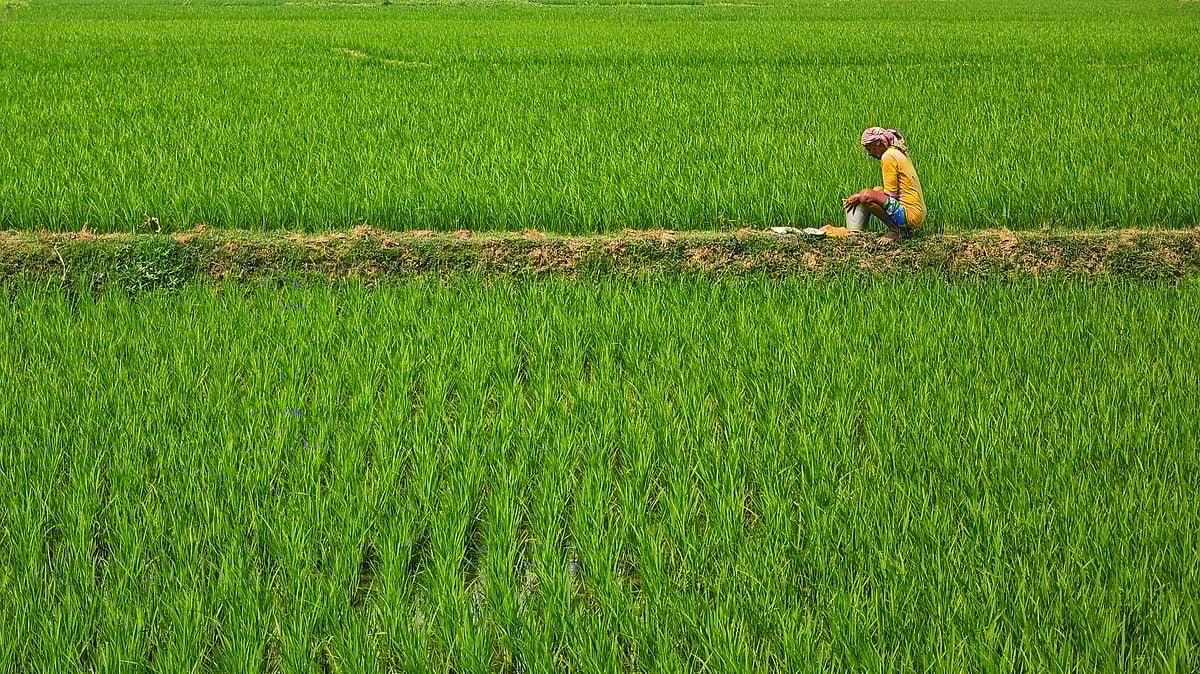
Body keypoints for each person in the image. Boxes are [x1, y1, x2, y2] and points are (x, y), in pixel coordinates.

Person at [843, 127, 926, 243]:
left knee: (865, 196)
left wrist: (859, 196)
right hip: (917, 214)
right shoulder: (896, 152)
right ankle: (902, 229)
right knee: (876, 190)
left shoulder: (888, 156)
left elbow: (890, 195)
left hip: (909, 216)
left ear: (878, 144)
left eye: (869, 149)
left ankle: (896, 230)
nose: (870, 153)